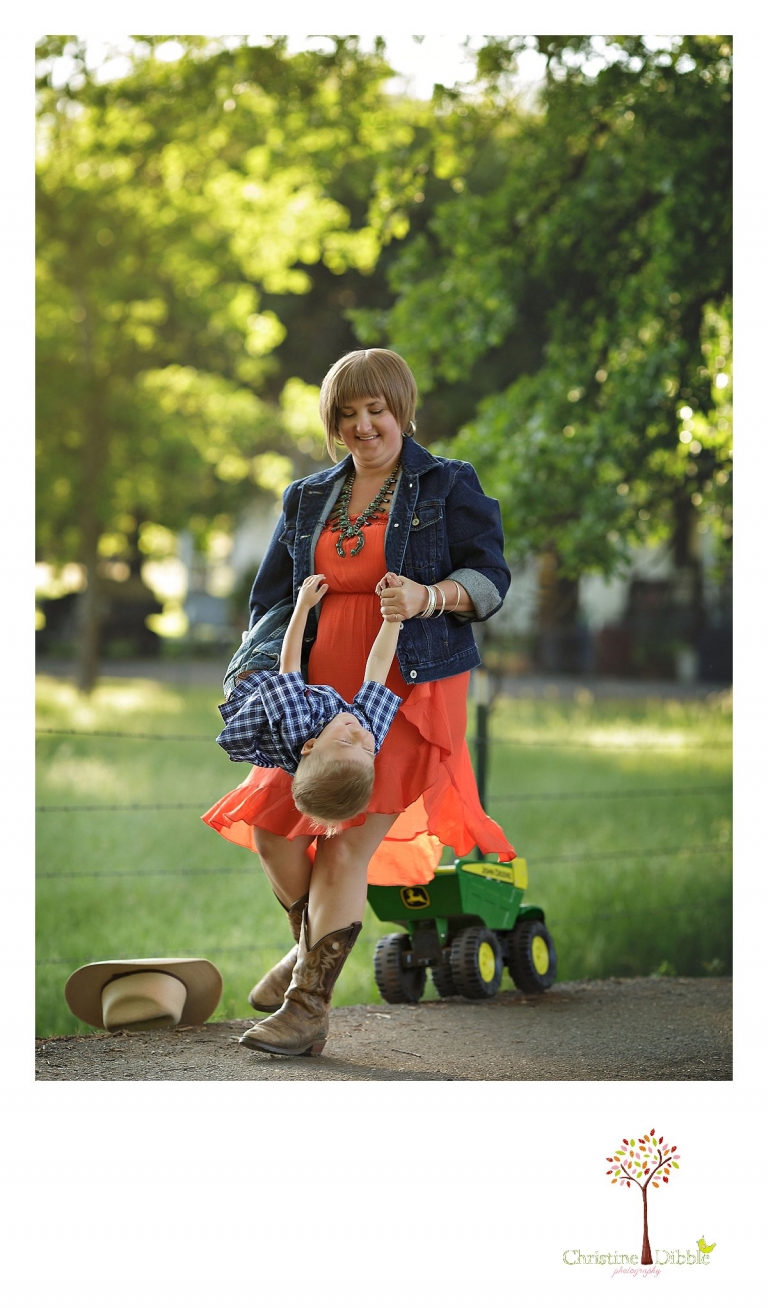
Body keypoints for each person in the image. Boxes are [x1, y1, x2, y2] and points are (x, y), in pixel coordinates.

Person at [202, 347, 515, 1058]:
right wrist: (257, 675)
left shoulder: (447, 485)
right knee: (274, 826)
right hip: (316, 692)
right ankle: (313, 944)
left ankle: (307, 1004)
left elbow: (493, 576)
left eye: (376, 409)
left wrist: (431, 596)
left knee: (344, 847)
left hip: (401, 686)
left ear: (401, 409)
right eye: (347, 414)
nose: (363, 425)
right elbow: (272, 601)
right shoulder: (307, 496)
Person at [215, 571, 403, 829]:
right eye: (368, 750)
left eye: (346, 741)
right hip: (299, 696)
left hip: (256, 675)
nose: (360, 734)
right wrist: (393, 617)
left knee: (283, 610)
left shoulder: (297, 726)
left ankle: (252, 636)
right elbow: (378, 668)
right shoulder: (365, 736)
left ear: (310, 745)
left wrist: (303, 605)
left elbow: (288, 664)